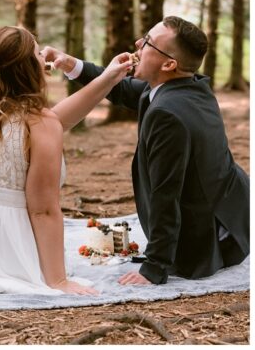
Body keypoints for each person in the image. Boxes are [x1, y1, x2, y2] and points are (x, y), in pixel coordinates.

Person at [43, 16, 250, 285]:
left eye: (149, 42)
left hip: (207, 240)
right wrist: (71, 64)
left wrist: (154, 267)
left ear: (168, 64)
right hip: (233, 213)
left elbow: (166, 193)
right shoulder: (189, 86)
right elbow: (125, 90)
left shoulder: (167, 115)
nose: (138, 44)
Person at [0, 25, 132, 296]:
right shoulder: (40, 123)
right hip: (1, 241)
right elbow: (42, 210)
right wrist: (58, 281)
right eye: (38, 53)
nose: (45, 57)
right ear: (27, 68)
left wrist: (109, 78)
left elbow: (58, 119)